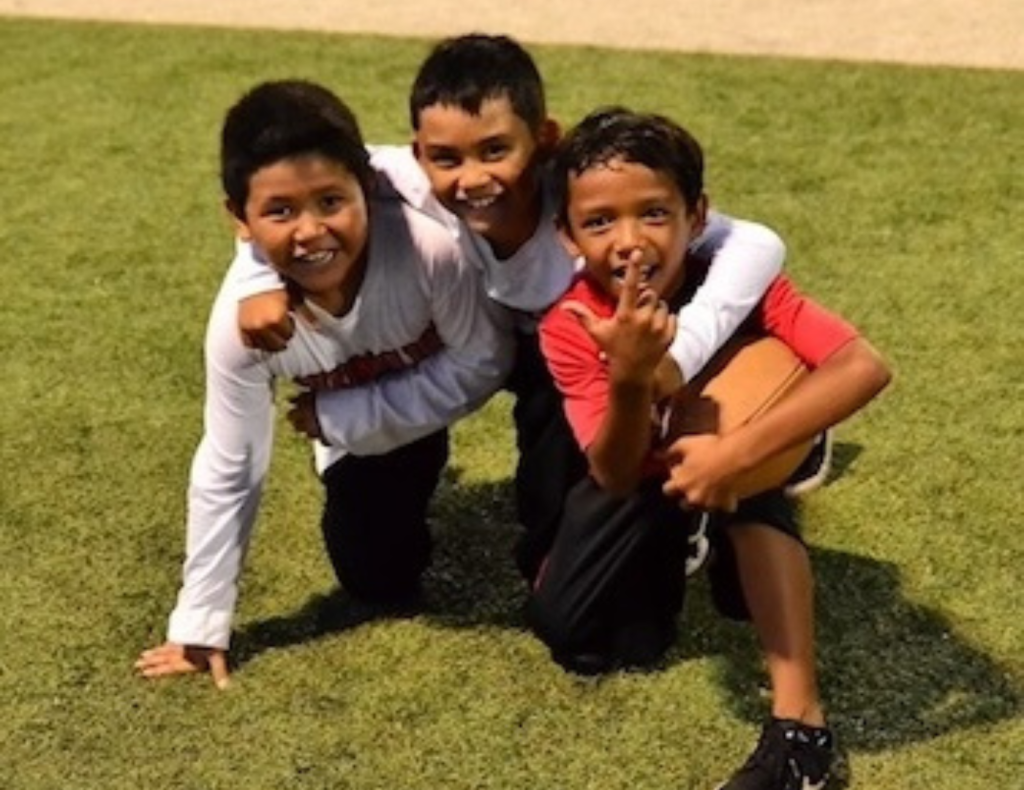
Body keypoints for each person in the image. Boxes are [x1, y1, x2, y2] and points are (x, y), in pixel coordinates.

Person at [232, 34, 802, 584]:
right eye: (446, 157)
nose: (473, 178)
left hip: (563, 353)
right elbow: (286, 190)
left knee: (555, 518)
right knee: (377, 572)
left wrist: (681, 354)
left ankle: (676, 510)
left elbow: (756, 242)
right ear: (419, 154)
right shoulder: (402, 176)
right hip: (454, 345)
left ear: (545, 138)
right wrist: (257, 276)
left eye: (496, 150)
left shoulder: (583, 189)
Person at [531, 107, 891, 789]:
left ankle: (799, 728)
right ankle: (699, 517)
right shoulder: (569, 323)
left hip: (737, 441)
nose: (629, 242)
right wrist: (630, 377)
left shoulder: (735, 283)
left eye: (653, 213)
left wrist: (738, 454)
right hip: (646, 467)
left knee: (745, 491)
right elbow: (614, 472)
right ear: (567, 235)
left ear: (696, 216)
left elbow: (863, 366)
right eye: (600, 222)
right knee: (578, 632)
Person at [135, 79, 514, 688]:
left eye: (331, 201)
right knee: (378, 577)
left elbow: (486, 361)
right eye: (280, 212)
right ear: (239, 220)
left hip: (463, 349)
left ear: (366, 187)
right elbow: (232, 463)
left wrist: (347, 415)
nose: (311, 231)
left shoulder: (429, 250)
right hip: (390, 404)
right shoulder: (241, 328)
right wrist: (202, 620)